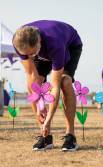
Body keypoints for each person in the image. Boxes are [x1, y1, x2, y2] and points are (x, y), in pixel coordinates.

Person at [12, 20, 82, 151]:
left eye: (33, 53)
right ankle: (45, 135)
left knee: (64, 81)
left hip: (70, 45)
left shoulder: (56, 44)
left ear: (39, 41)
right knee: (31, 84)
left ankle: (70, 135)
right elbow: (33, 76)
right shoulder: (19, 41)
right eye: (29, 55)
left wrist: (49, 118)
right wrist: (40, 106)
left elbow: (54, 86)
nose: (32, 57)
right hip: (44, 49)